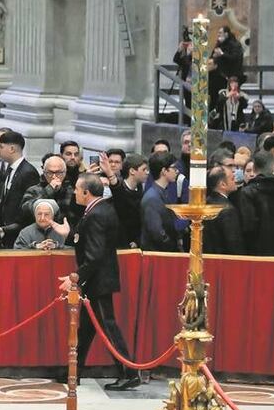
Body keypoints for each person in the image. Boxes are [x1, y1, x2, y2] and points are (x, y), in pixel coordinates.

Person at [60, 174, 136, 390]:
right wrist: (68, 234)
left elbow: (94, 255)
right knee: (85, 328)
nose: (74, 192)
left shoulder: (97, 214)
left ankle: (128, 372)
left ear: (87, 192)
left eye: (76, 188)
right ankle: (74, 370)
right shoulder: (100, 209)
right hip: (98, 279)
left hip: (99, 280)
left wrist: (75, 277)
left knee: (108, 326)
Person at [0, 130, 39, 247]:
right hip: (6, 233)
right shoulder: (10, 169)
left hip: (18, 234)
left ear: (12, 149)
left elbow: (28, 209)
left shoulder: (28, 172)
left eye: (1, 147)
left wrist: (9, 229)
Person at [140, 152, 182, 252]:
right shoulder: (152, 198)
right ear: (164, 171)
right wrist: (173, 249)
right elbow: (157, 233)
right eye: (174, 168)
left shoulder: (161, 192)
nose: (177, 171)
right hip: (157, 256)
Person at [203, 167, 244, 255]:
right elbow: (233, 242)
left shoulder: (205, 203)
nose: (235, 180)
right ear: (223, 185)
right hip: (224, 261)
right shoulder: (228, 210)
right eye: (232, 179)